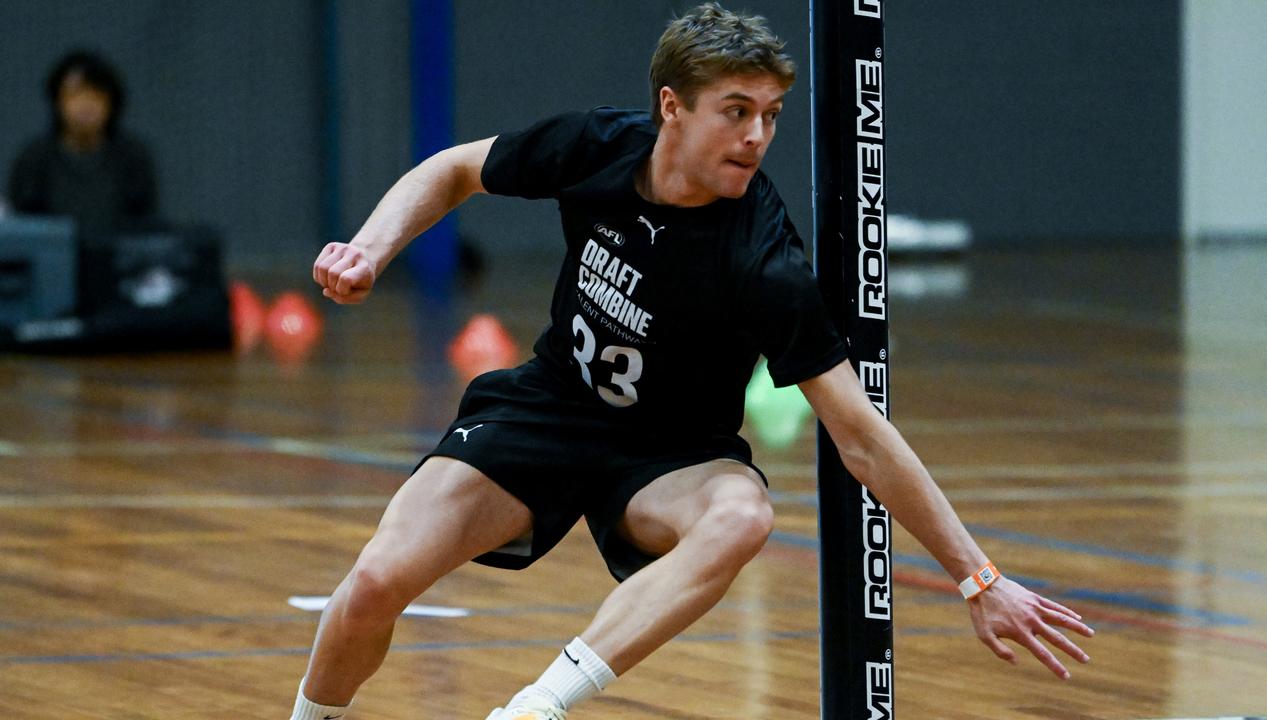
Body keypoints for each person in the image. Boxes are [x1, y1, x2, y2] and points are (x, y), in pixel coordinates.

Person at [299, 4, 1094, 719]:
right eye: (737, 111)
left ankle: (538, 709)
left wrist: (979, 578)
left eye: (771, 115)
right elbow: (455, 170)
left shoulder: (763, 259)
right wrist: (369, 251)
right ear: (672, 109)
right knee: (370, 588)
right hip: (547, 409)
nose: (757, 136)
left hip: (670, 458)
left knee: (743, 514)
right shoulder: (598, 148)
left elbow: (861, 435)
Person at [7, 49, 157, 234]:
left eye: (95, 95)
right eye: (75, 94)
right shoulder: (34, 159)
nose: (85, 105)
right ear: (57, 101)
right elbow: (21, 227)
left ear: (111, 102)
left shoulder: (133, 157)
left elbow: (145, 225)